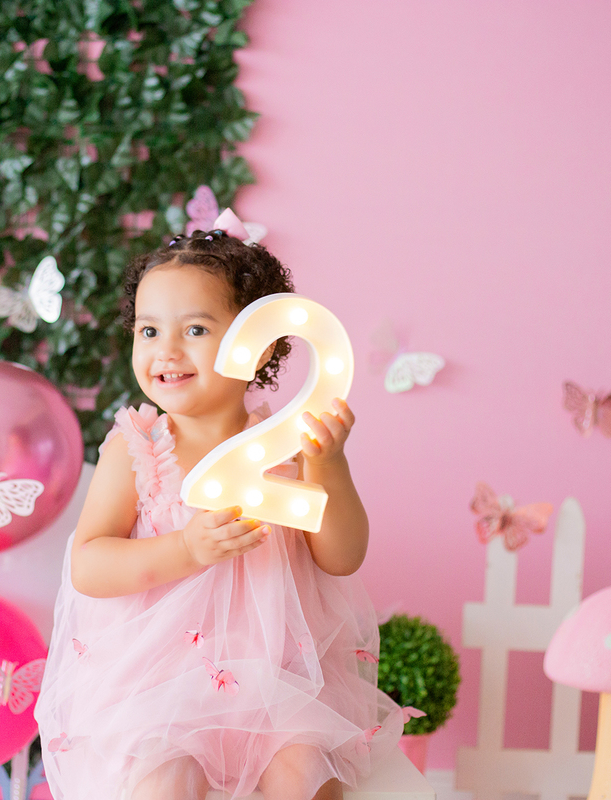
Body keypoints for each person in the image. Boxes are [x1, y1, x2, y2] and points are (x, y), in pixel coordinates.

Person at [35, 217, 400, 800]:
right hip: (162, 687)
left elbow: (343, 557)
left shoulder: (286, 446)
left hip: (278, 682)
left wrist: (328, 461)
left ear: (262, 347)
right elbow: (89, 564)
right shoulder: (138, 447)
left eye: (196, 329)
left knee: (305, 775)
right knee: (166, 782)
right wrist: (186, 548)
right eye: (148, 331)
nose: (166, 351)